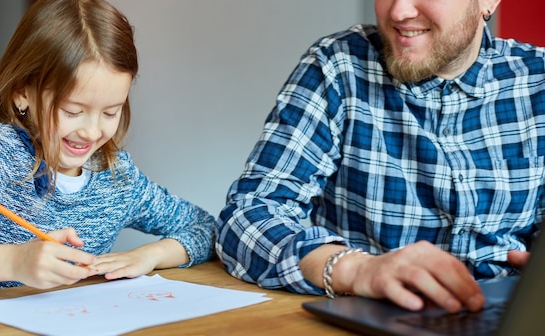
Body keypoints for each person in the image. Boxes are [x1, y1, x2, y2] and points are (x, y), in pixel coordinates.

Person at [216, 0, 543, 313]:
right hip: (371, 321)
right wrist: (357, 270)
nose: (399, 11)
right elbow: (247, 215)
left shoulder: (538, 79)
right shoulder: (338, 65)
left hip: (510, 321)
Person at [0, 0, 214, 297]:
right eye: (72, 111)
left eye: (111, 112)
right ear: (23, 94)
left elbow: (205, 228)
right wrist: (12, 261)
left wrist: (149, 256)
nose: (91, 131)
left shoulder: (117, 176)